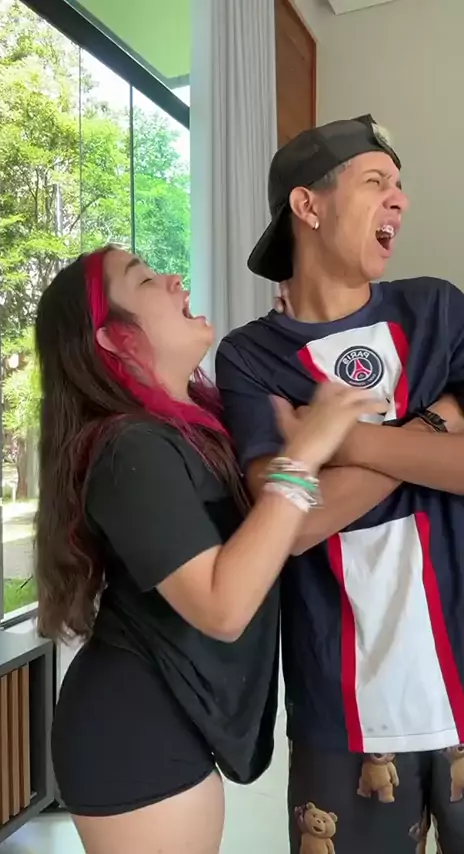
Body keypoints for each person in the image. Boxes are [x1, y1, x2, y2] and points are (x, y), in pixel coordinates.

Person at [33, 244, 381, 854]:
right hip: (134, 733)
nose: (173, 278)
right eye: (144, 280)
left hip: (172, 719)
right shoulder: (128, 450)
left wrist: (418, 447)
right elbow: (222, 606)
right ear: (114, 338)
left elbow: (281, 528)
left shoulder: (194, 430)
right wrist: (307, 452)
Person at [215, 114, 464, 854]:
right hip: (344, 711)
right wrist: (438, 425)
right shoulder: (250, 357)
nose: (400, 200)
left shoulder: (437, 309)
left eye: (399, 186)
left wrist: (338, 440)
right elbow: (289, 526)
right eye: (376, 181)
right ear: (309, 205)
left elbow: (309, 488)